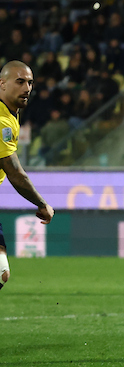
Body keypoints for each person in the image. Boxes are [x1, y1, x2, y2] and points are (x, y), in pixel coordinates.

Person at [0, 61, 54, 289]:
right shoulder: (2, 122)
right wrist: (42, 204)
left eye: (30, 83)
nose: (27, 88)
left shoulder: (11, 114)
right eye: (20, 81)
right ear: (2, 84)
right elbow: (15, 173)